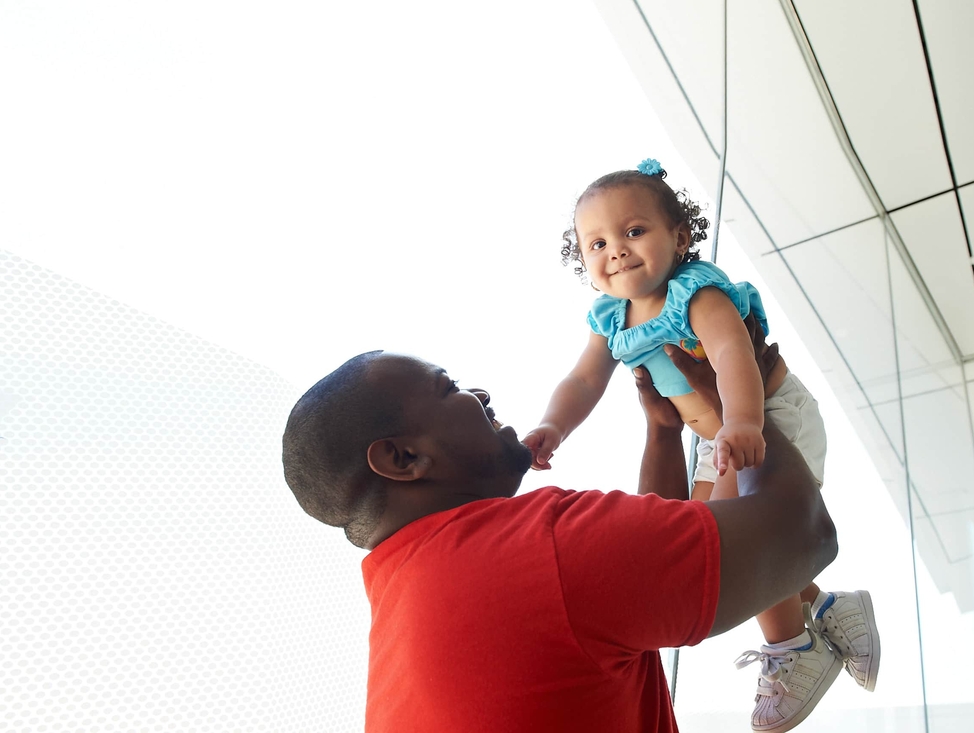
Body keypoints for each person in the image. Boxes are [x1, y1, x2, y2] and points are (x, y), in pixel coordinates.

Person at [281, 321, 837, 733]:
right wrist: (733, 407)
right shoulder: (534, 551)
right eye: (449, 388)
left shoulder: (420, 591)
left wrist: (663, 435)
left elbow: (639, 592)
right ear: (402, 459)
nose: (480, 394)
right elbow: (803, 530)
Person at [522, 159, 879, 731]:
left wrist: (743, 421)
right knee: (704, 535)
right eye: (597, 243)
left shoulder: (695, 292)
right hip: (720, 437)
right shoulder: (611, 318)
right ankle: (827, 605)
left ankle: (793, 648)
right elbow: (584, 380)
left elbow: (733, 354)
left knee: (738, 541)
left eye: (633, 231)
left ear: (679, 238)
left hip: (765, 418)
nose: (616, 249)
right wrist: (552, 427)